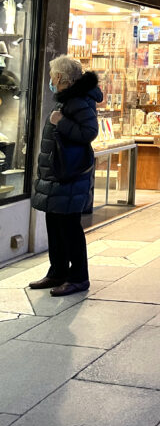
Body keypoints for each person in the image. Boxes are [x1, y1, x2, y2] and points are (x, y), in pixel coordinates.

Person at [29, 55, 102, 297]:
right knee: (55, 224)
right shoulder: (68, 98)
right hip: (58, 175)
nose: (51, 80)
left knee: (69, 227)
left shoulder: (78, 100)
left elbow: (89, 131)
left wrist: (61, 122)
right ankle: (58, 271)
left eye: (52, 76)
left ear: (60, 77)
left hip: (68, 175)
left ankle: (79, 277)